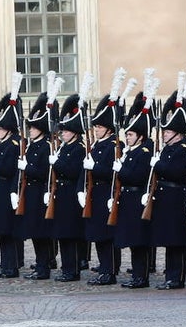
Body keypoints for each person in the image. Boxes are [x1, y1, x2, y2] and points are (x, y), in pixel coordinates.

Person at [83, 70, 126, 286]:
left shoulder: (114, 146)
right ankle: (105, 268)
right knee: (98, 234)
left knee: (106, 235)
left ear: (108, 128)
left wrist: (94, 167)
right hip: (95, 192)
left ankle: (109, 271)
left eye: (99, 127)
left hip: (107, 191)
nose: (96, 130)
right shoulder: (98, 144)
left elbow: (110, 170)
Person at [150, 84, 186, 289]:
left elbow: (175, 172)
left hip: (175, 196)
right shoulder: (169, 148)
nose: (164, 134)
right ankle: (171, 274)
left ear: (177, 133)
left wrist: (157, 164)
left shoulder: (183, 149)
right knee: (169, 240)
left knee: (176, 240)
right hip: (165, 197)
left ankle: (177, 277)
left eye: (167, 132)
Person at [115, 86, 155, 289]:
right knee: (132, 240)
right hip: (128, 199)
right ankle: (137, 275)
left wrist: (120, 170)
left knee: (140, 241)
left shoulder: (144, 152)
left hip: (137, 198)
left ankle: (142, 276)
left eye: (130, 135)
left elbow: (136, 176)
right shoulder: (131, 152)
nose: (127, 137)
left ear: (139, 136)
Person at [19, 80, 59, 280]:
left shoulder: (45, 146)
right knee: (34, 232)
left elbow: (44, 172)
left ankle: (44, 267)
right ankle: (40, 263)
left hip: (40, 191)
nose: (31, 130)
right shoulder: (31, 145)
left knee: (41, 233)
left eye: (34, 128)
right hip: (30, 192)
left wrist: (28, 167)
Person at [0, 76, 24, 278]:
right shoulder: (1, 144)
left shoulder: (12, 145)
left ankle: (10, 267)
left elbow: (8, 169)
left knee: (7, 232)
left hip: (6, 190)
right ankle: (5, 265)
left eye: (0, 129)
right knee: (1, 232)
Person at [50, 93, 88, 282]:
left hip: (71, 193)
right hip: (61, 193)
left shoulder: (79, 148)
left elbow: (73, 171)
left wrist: (56, 164)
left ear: (74, 131)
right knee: (62, 234)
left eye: (65, 131)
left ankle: (72, 270)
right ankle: (66, 268)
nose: (62, 133)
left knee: (71, 234)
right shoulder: (64, 148)